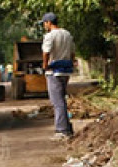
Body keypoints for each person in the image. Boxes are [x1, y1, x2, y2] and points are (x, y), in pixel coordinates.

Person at [40, 12, 75, 140]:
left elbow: (46, 52)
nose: (44, 26)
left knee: (57, 102)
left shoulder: (50, 36)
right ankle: (67, 127)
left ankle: (62, 130)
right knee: (62, 100)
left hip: (54, 72)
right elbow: (72, 52)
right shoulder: (67, 34)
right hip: (66, 71)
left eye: (45, 23)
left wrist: (45, 65)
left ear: (49, 22)